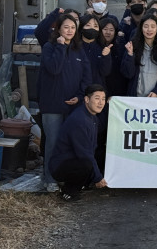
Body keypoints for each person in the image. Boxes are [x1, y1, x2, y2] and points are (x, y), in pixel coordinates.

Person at [38, 14, 92, 192]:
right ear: (59, 29)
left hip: (73, 105)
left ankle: (64, 177)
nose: (69, 31)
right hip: (52, 104)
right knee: (53, 142)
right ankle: (49, 179)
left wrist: (79, 95)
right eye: (66, 27)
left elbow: (86, 76)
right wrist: (60, 47)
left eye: (73, 28)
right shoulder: (49, 47)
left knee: (68, 144)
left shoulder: (79, 49)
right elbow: (54, 68)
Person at [49, 84, 108, 202]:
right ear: (86, 99)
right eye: (97, 98)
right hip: (61, 165)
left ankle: (82, 183)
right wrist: (98, 177)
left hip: (73, 159)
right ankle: (69, 192)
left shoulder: (91, 116)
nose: (101, 103)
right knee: (86, 163)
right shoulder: (80, 120)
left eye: (103, 99)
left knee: (102, 152)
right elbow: (84, 153)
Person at [121, 13, 157, 97]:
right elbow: (128, 74)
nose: (149, 30)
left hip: (156, 97)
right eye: (146, 26)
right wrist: (130, 55)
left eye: (153, 26)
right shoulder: (133, 46)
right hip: (136, 97)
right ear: (141, 28)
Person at [79, 15, 113, 87]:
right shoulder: (74, 47)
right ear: (81, 27)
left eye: (95, 26)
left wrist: (106, 56)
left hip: (97, 91)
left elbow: (105, 72)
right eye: (88, 25)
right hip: (76, 91)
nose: (92, 28)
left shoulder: (103, 48)